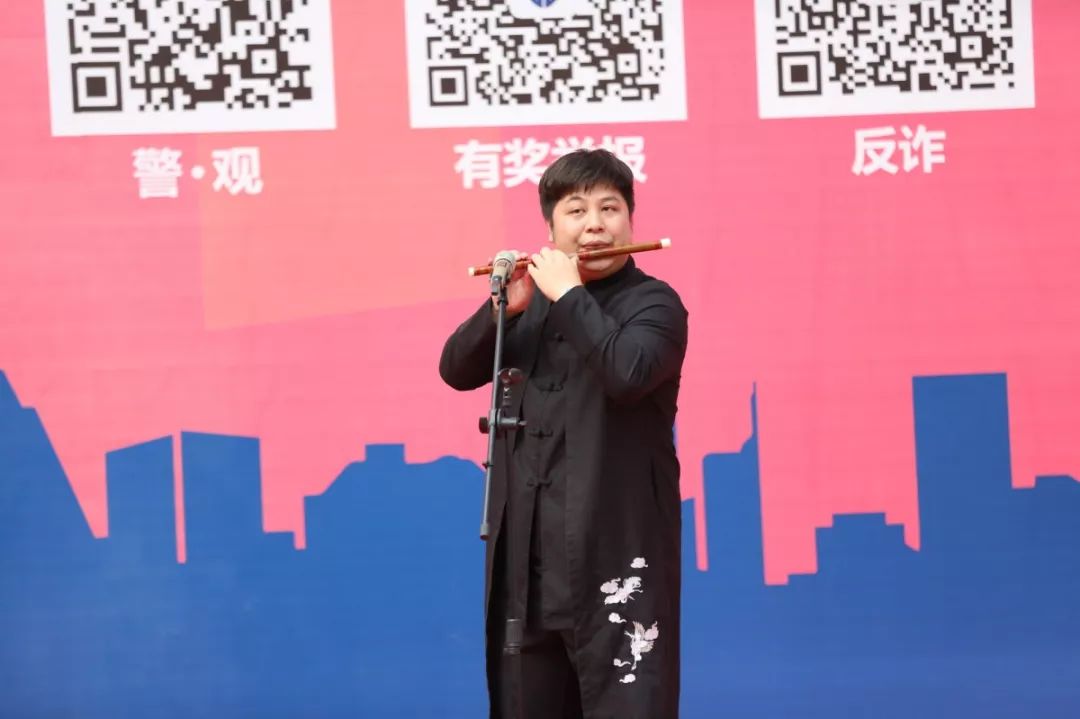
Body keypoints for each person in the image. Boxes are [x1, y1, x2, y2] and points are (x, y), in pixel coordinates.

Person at [439, 149, 688, 718]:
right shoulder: (530, 305)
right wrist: (502, 310)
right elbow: (455, 369)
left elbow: (628, 373)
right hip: (528, 566)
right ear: (551, 228)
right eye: (576, 211)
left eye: (610, 208)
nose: (595, 224)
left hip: (616, 558)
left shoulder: (655, 303)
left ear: (630, 219)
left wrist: (571, 294)